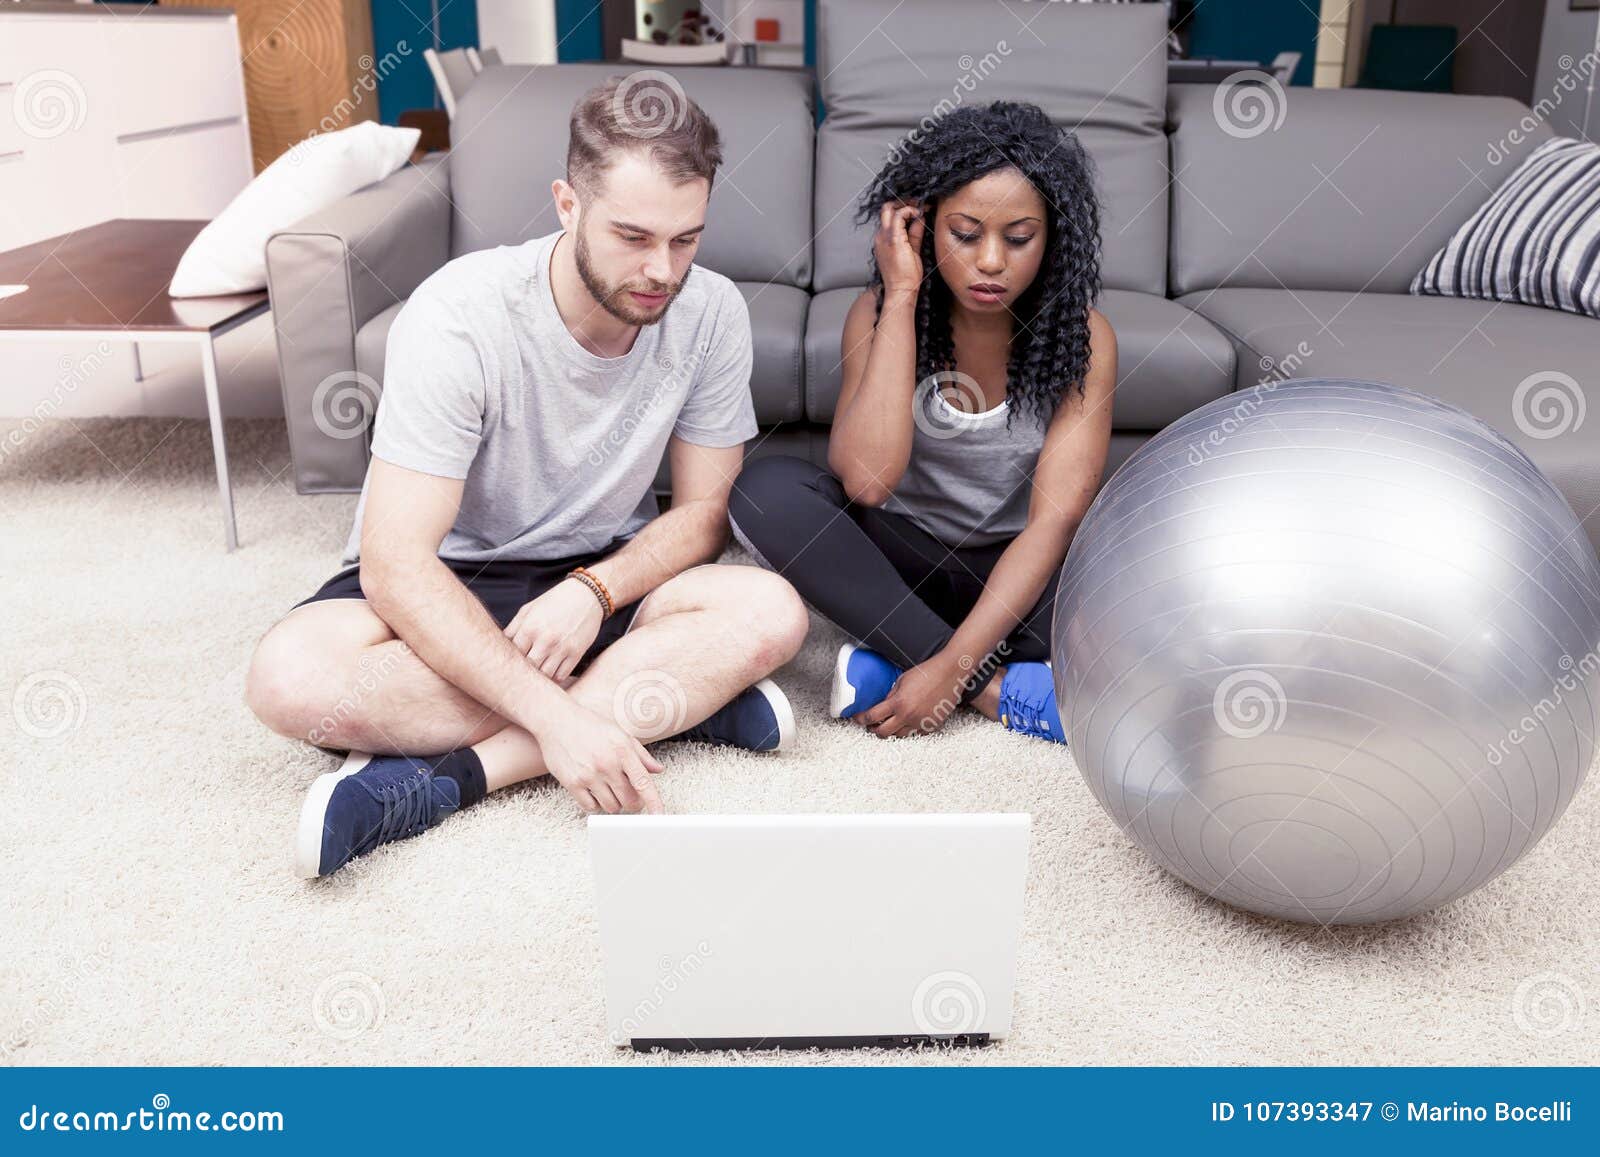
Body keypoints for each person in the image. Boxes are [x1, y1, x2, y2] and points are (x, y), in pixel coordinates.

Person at [246, 80, 809, 877]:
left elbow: (705, 514)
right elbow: (395, 565)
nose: (662, 269)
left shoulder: (711, 312)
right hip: (447, 584)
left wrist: (595, 592)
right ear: (566, 204)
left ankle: (453, 778)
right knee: (289, 675)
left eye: (686, 240)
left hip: (596, 584)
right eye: (633, 235)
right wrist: (558, 716)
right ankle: (653, 705)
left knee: (771, 611)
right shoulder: (459, 316)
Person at [729, 101, 1116, 744]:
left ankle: (896, 651)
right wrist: (903, 296)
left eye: (1019, 238)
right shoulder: (878, 314)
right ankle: (996, 689)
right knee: (766, 493)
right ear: (924, 228)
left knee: (1113, 583)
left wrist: (948, 667)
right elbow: (867, 484)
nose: (992, 261)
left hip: (1015, 574)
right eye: (966, 233)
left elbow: (1053, 524)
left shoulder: (1085, 340)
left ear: (1052, 240)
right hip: (905, 557)